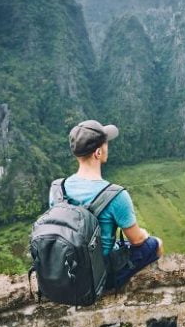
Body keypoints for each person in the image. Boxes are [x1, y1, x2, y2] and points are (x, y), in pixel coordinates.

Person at [50, 119, 163, 290]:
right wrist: (144, 234)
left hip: (70, 270)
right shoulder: (116, 195)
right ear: (98, 153)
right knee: (156, 244)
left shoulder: (57, 188)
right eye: (105, 144)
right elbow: (137, 240)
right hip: (100, 276)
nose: (107, 147)